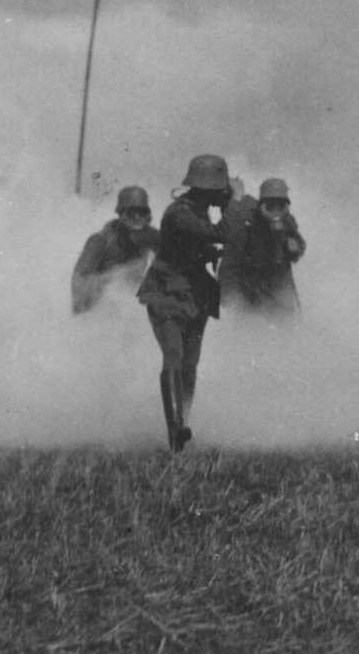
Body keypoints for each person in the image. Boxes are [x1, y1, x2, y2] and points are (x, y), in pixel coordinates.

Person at [136, 154, 233, 452]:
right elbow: (220, 234)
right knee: (174, 357)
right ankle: (175, 430)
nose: (223, 193)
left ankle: (183, 425)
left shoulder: (200, 211)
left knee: (190, 364)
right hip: (167, 293)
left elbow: (199, 247)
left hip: (195, 294)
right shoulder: (180, 213)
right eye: (220, 189)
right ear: (208, 188)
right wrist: (234, 205)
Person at [220, 177, 307, 319]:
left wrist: (296, 248)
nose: (275, 210)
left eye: (280, 205)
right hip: (252, 294)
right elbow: (229, 267)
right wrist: (233, 301)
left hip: (280, 292)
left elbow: (298, 242)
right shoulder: (246, 225)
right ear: (261, 204)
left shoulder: (288, 222)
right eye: (270, 205)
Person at [72, 186, 158, 314]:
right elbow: (79, 288)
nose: (137, 218)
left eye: (142, 213)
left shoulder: (151, 237)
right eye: (131, 213)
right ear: (121, 215)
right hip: (99, 312)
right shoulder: (100, 241)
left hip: (133, 310)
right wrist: (118, 277)